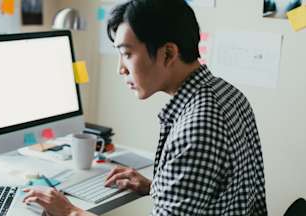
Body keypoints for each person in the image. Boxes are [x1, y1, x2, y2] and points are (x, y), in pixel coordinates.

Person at [23, 0, 268, 215]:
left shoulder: (198, 125)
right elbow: (223, 192)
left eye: (127, 54)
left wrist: (69, 212)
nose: (120, 68)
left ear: (168, 53)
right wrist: (158, 187)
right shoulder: (228, 94)